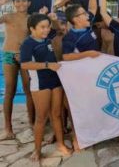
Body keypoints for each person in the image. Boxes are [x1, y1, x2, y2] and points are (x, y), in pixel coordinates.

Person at [20, 13, 72, 161]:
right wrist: (48, 65)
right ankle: (37, 150)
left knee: (56, 114)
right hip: (40, 84)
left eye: (47, 27)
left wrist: (53, 19)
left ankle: (61, 144)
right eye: (42, 27)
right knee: (41, 118)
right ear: (32, 28)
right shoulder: (28, 43)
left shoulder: (47, 38)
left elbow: (56, 28)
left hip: (55, 81)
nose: (46, 30)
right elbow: (24, 64)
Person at [62, 0, 100, 151]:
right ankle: (76, 137)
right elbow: (66, 56)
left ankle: (91, 134)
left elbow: (93, 7)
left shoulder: (87, 25)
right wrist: (87, 54)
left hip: (93, 74)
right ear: (76, 19)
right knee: (79, 107)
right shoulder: (70, 37)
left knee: (92, 105)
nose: (87, 15)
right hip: (80, 77)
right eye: (83, 14)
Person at [0, 0, 34, 140]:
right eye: (18, 1)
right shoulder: (8, 16)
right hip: (9, 55)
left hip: (25, 56)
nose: (21, 3)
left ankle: (32, 124)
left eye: (24, 1)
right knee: (9, 90)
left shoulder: (32, 18)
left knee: (29, 90)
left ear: (29, 2)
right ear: (13, 3)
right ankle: (8, 128)